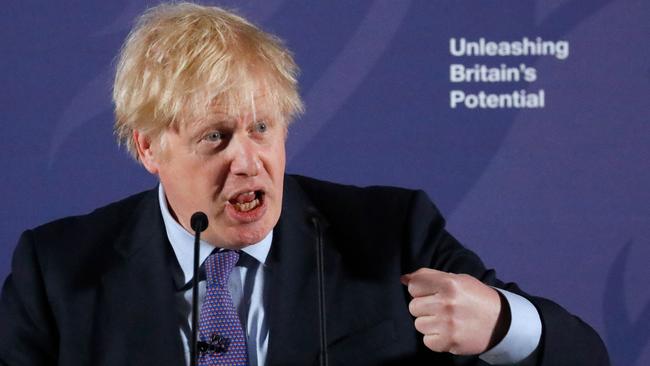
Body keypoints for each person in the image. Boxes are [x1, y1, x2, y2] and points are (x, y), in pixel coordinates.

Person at [0, 2, 608, 366]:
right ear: (149, 147)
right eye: (215, 136)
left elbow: (586, 356)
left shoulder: (390, 234)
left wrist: (502, 323)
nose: (248, 161)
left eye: (262, 128)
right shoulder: (57, 272)